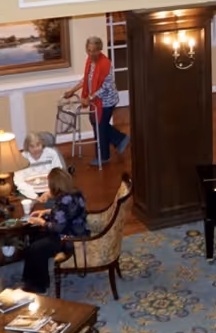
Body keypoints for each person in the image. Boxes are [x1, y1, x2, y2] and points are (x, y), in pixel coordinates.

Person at [64, 36, 129, 167]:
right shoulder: (90, 62)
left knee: (100, 126)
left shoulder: (105, 64)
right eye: (89, 50)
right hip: (96, 100)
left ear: (100, 50)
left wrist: (90, 98)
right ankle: (120, 139)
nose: (91, 53)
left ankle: (104, 156)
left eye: (94, 50)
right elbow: (86, 79)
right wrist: (73, 90)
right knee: (97, 123)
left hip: (107, 101)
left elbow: (106, 87)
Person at [22, 168, 89, 294]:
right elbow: (65, 214)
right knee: (35, 236)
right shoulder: (75, 194)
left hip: (69, 238)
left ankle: (39, 286)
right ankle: (32, 279)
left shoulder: (64, 200)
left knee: (36, 248)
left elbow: (57, 228)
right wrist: (46, 212)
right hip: (74, 230)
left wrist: (41, 222)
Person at [13, 131, 64, 202]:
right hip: (29, 193)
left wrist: (49, 192)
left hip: (50, 191)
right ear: (27, 147)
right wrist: (35, 197)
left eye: (38, 145)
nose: (36, 149)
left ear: (42, 144)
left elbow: (58, 175)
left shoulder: (51, 154)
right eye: (32, 146)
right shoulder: (21, 158)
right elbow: (19, 182)